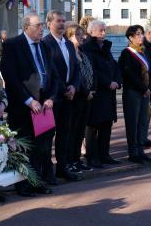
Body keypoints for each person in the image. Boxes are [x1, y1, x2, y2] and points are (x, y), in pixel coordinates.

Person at [0, 13, 57, 196]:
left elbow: (53, 74)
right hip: (22, 107)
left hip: (43, 106)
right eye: (38, 25)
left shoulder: (45, 46)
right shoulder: (12, 45)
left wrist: (51, 97)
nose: (42, 29)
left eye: (42, 25)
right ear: (26, 27)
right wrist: (28, 100)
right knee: (23, 146)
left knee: (41, 147)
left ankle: (36, 181)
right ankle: (23, 184)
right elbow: (11, 76)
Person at [42, 10, 82, 181]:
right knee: (47, 136)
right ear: (49, 23)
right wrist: (63, 88)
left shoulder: (67, 44)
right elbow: (50, 71)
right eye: (58, 21)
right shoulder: (45, 43)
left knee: (64, 134)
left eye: (64, 21)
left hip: (68, 98)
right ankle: (47, 172)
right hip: (52, 97)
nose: (61, 24)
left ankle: (62, 168)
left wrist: (73, 86)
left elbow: (76, 68)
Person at [81, 20, 122, 167]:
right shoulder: (87, 48)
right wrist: (107, 82)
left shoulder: (106, 47)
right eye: (100, 30)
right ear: (91, 32)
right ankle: (92, 157)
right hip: (97, 93)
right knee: (92, 126)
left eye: (104, 30)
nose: (103, 33)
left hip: (109, 94)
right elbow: (92, 70)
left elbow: (114, 65)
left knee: (106, 125)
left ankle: (105, 155)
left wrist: (117, 80)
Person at [118, 25, 151, 164]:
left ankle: (140, 150)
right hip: (133, 92)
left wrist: (149, 88)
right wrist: (143, 88)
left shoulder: (144, 52)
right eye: (137, 34)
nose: (141, 36)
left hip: (145, 92)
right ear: (130, 38)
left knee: (143, 122)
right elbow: (128, 75)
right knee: (133, 123)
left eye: (142, 33)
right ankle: (133, 152)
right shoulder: (126, 53)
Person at [65, 22, 96, 171]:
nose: (81, 37)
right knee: (72, 130)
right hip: (75, 97)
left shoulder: (83, 53)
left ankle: (77, 160)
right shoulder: (69, 53)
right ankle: (69, 161)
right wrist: (85, 91)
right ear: (69, 37)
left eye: (81, 34)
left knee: (80, 131)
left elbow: (90, 72)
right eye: (77, 34)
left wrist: (91, 90)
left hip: (87, 97)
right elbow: (76, 77)